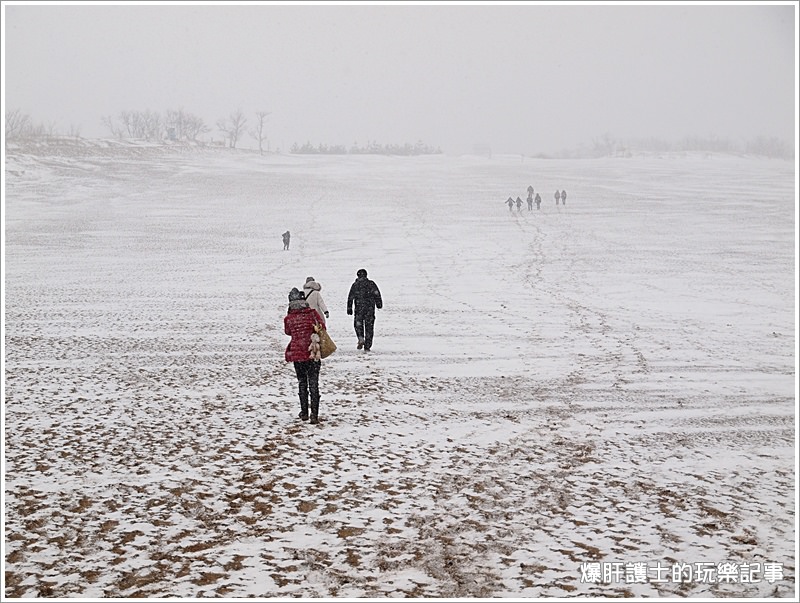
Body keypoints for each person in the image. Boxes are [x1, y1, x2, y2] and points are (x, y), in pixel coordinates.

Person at [284, 287, 324, 424]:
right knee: (314, 383)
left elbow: (288, 332)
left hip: (297, 353)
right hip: (312, 352)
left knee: (302, 382)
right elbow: (322, 327)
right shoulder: (312, 314)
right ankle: (314, 414)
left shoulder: (289, 318)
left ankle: (304, 412)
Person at [347, 268, 383, 351]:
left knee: (358, 325)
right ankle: (367, 345)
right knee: (369, 328)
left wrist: (349, 308)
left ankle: (360, 337)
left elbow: (350, 297)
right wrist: (379, 304)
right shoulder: (371, 284)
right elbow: (377, 294)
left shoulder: (355, 285)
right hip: (369, 309)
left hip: (359, 309)